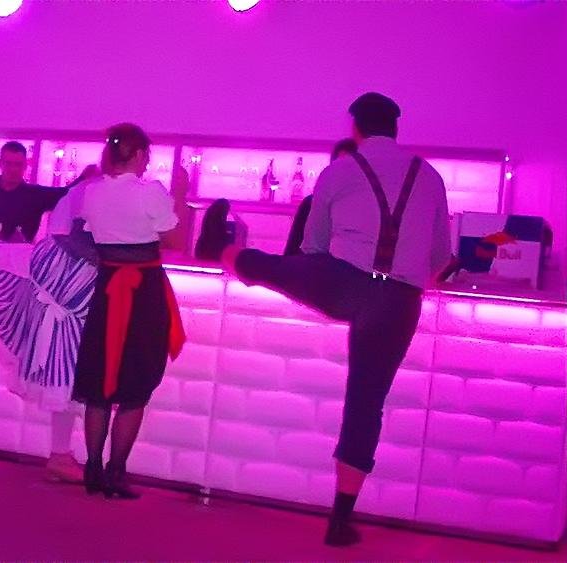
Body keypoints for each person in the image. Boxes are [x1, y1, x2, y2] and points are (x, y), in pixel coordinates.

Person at [222, 93, 452, 546]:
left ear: (356, 128)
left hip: (343, 283)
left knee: (278, 268)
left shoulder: (338, 171)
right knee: (366, 402)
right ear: (396, 129)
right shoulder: (430, 177)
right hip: (397, 301)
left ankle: (232, 256)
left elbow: (313, 248)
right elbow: (439, 258)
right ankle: (340, 520)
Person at [72, 123, 186, 499]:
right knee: (135, 386)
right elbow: (175, 240)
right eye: (146, 155)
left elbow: (90, 235)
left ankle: (92, 469)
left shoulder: (91, 192)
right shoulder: (150, 192)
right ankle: (116, 473)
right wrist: (180, 195)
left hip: (107, 289)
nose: (147, 162)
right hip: (143, 293)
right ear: (138, 155)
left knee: (99, 383)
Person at [0, 168, 100, 483]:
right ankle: (62, 455)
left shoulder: (70, 207)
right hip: (70, 302)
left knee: (65, 383)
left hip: (61, 299)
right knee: (68, 382)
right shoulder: (85, 207)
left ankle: (62, 454)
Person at [0, 141, 95, 242]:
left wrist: (84, 178)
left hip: (19, 263)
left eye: (18, 164)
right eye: (9, 164)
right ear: (0, 164)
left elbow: (66, 194)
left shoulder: (34, 196)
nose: (13, 169)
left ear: (25, 165)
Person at [284, 138, 358, 255]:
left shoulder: (362, 208)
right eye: (340, 164)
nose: (344, 171)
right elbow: (292, 250)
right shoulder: (310, 203)